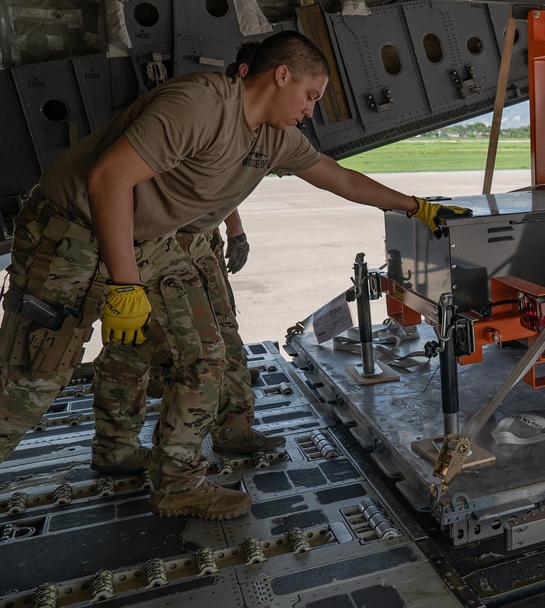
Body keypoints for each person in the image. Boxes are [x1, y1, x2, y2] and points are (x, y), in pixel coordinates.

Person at [0, 30, 470, 520]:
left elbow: (340, 177)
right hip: (69, 235)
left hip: (147, 241)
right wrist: (124, 285)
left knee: (205, 356)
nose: (311, 109)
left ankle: (177, 484)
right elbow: (109, 178)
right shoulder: (199, 104)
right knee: (29, 383)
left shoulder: (275, 138)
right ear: (281, 75)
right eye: (310, 95)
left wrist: (416, 207)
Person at [89, 44, 276, 476]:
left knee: (224, 337)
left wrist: (235, 232)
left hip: (199, 247)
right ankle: (119, 449)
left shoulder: (243, 124)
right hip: (153, 248)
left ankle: (233, 428)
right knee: (131, 350)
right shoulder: (192, 114)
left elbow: (223, 187)